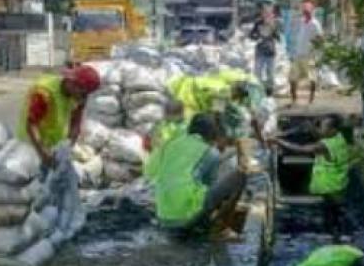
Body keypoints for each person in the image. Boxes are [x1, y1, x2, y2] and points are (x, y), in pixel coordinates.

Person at [145, 112, 248, 242]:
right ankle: (219, 230)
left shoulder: (171, 143)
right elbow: (210, 189)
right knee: (241, 175)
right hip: (185, 218)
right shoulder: (210, 152)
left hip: (163, 217)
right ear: (212, 134)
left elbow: (150, 172)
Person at [267, 115, 353, 232]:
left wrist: (278, 141)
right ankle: (335, 235)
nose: (320, 130)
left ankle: (334, 239)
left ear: (333, 130)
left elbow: (301, 149)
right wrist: (311, 128)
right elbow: (319, 134)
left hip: (330, 186)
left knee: (331, 217)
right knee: (334, 215)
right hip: (338, 184)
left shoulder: (325, 146)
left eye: (323, 127)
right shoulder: (338, 138)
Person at [17, 64, 102, 168]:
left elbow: (75, 122)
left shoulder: (78, 96)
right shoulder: (44, 92)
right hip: (32, 143)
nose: (85, 98)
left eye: (87, 94)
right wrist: (43, 153)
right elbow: (31, 125)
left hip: (54, 142)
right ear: (73, 84)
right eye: (83, 93)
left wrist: (68, 146)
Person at [221, 81, 265, 174]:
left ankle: (242, 168)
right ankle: (246, 169)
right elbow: (254, 121)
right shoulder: (235, 106)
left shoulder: (231, 103)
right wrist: (261, 139)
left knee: (242, 154)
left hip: (234, 134)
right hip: (238, 135)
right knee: (244, 152)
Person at [289, 1, 324, 106]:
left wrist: (313, 47)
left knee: (312, 78)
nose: (306, 13)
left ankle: (311, 100)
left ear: (312, 11)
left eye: (308, 11)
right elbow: (294, 30)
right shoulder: (301, 21)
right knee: (292, 78)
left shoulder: (315, 23)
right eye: (304, 11)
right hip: (298, 54)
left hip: (309, 55)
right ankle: (294, 100)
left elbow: (321, 38)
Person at [250, 4, 283, 97]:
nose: (267, 14)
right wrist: (257, 37)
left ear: (271, 13)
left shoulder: (274, 23)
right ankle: (257, 93)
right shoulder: (258, 23)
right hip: (259, 52)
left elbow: (278, 37)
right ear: (262, 13)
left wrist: (274, 31)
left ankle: (269, 93)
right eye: (265, 12)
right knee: (257, 74)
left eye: (269, 12)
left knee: (270, 75)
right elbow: (251, 35)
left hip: (270, 52)